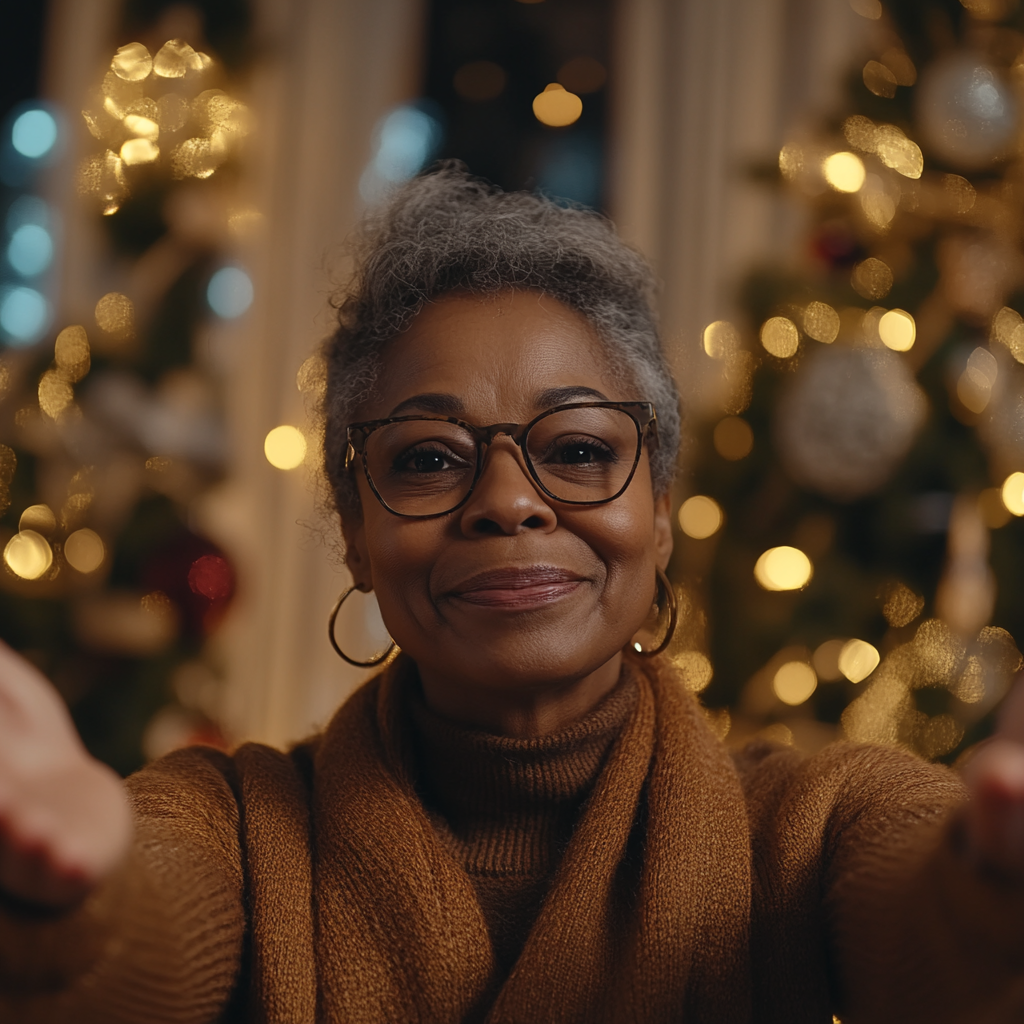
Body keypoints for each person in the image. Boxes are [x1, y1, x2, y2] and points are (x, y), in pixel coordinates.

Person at [1, 166, 1023, 1024]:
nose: (507, 501)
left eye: (577, 449)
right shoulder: (228, 823)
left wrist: (994, 876)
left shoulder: (813, 826)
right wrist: (74, 892)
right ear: (355, 532)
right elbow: (138, 928)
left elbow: (938, 922)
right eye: (428, 459)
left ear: (659, 511)